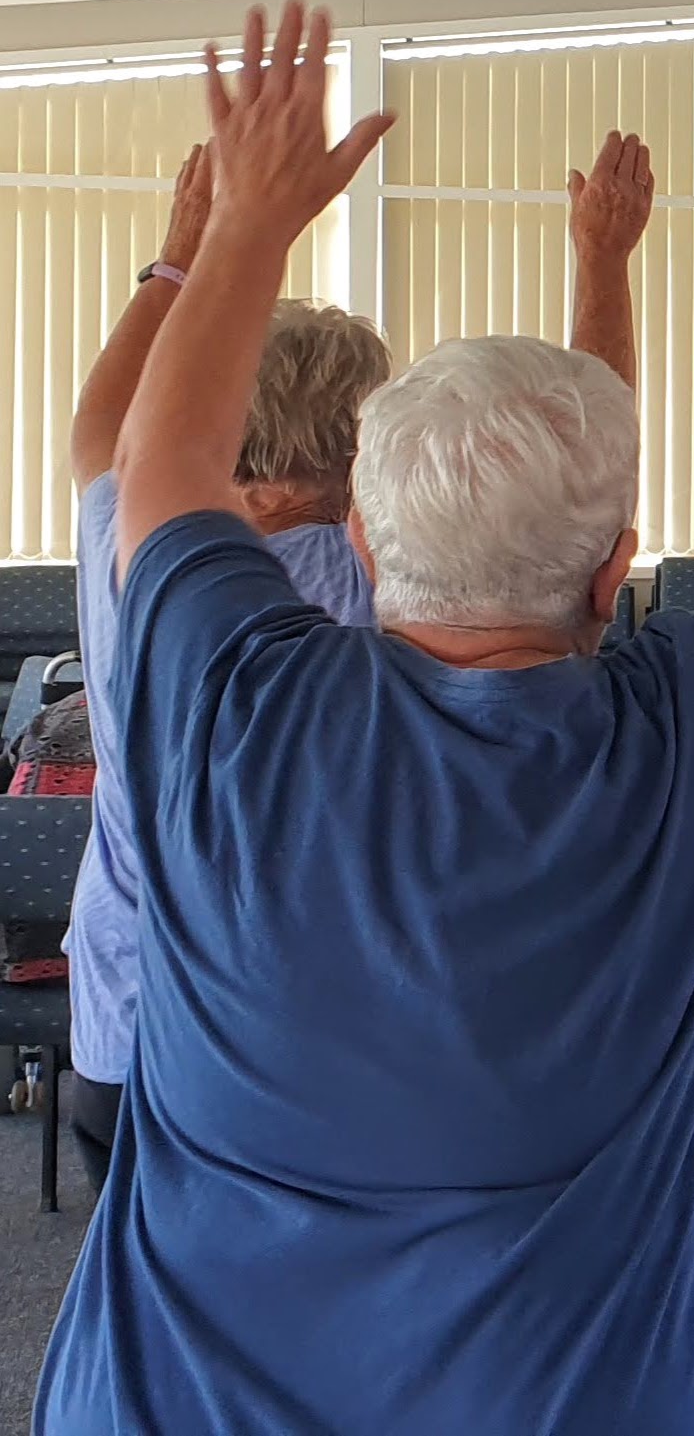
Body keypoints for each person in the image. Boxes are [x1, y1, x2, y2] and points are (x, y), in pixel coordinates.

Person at [35, 2, 694, 1436]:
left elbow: (154, 463)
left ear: (361, 548)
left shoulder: (216, 697)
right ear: (618, 570)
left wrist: (241, 222)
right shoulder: (691, 737)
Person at [55, 126, 654, 1196]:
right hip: (314, 1058)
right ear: (364, 445)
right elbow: (568, 497)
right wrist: (602, 265)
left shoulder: (126, 534)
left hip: (125, 1018)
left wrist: (184, 256)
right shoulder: (379, 574)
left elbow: (107, 417)